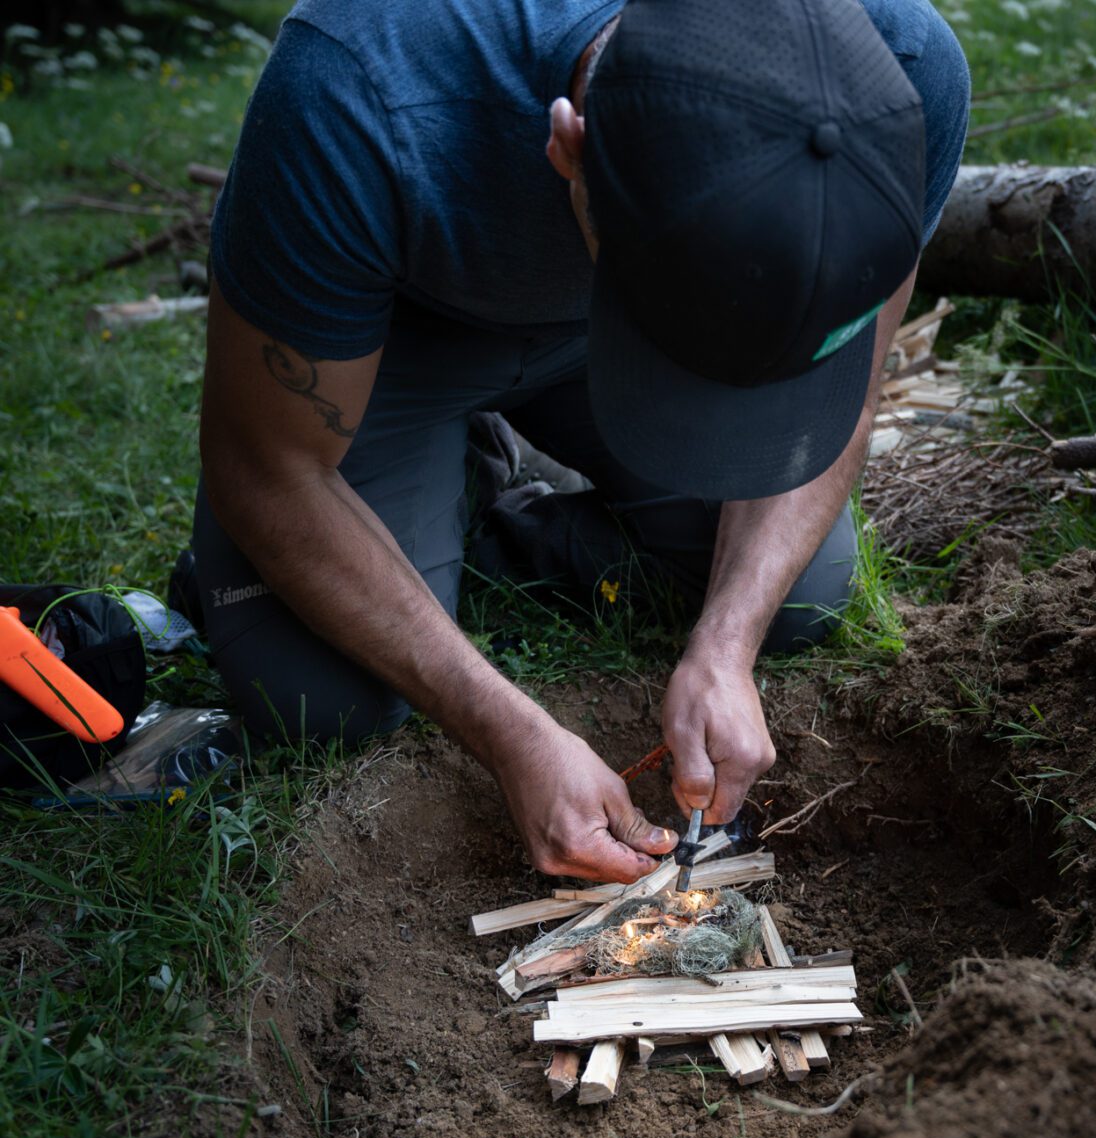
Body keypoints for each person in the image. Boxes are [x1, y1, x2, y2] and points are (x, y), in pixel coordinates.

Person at [189, 0, 969, 881]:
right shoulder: (356, 87)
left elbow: (849, 393)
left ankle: (491, 513)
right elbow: (270, 468)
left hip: (622, 339)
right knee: (318, 698)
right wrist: (511, 732)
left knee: (801, 595)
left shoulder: (895, 78)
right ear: (570, 142)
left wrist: (727, 644)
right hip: (392, 340)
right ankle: (439, 450)